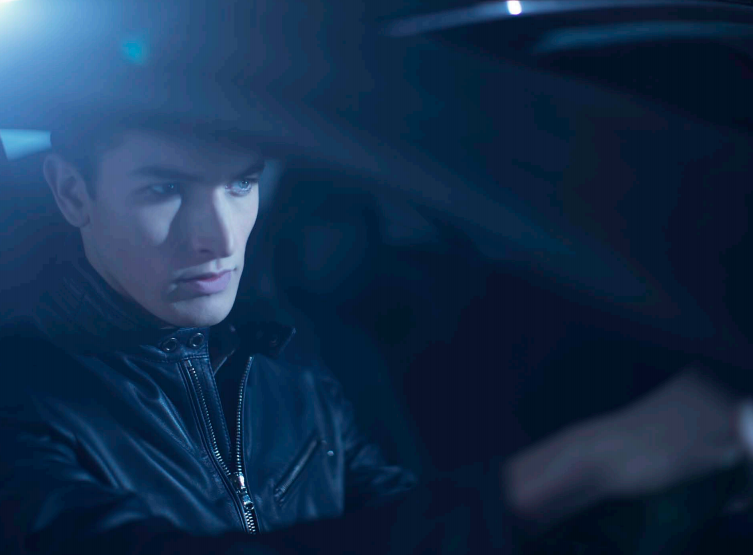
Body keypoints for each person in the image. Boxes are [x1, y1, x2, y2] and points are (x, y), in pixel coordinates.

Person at [2, 118, 753, 555]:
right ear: (72, 192)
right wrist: (575, 466)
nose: (220, 238)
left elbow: (396, 519)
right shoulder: (20, 398)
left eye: (242, 183)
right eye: (164, 189)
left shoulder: (283, 364)